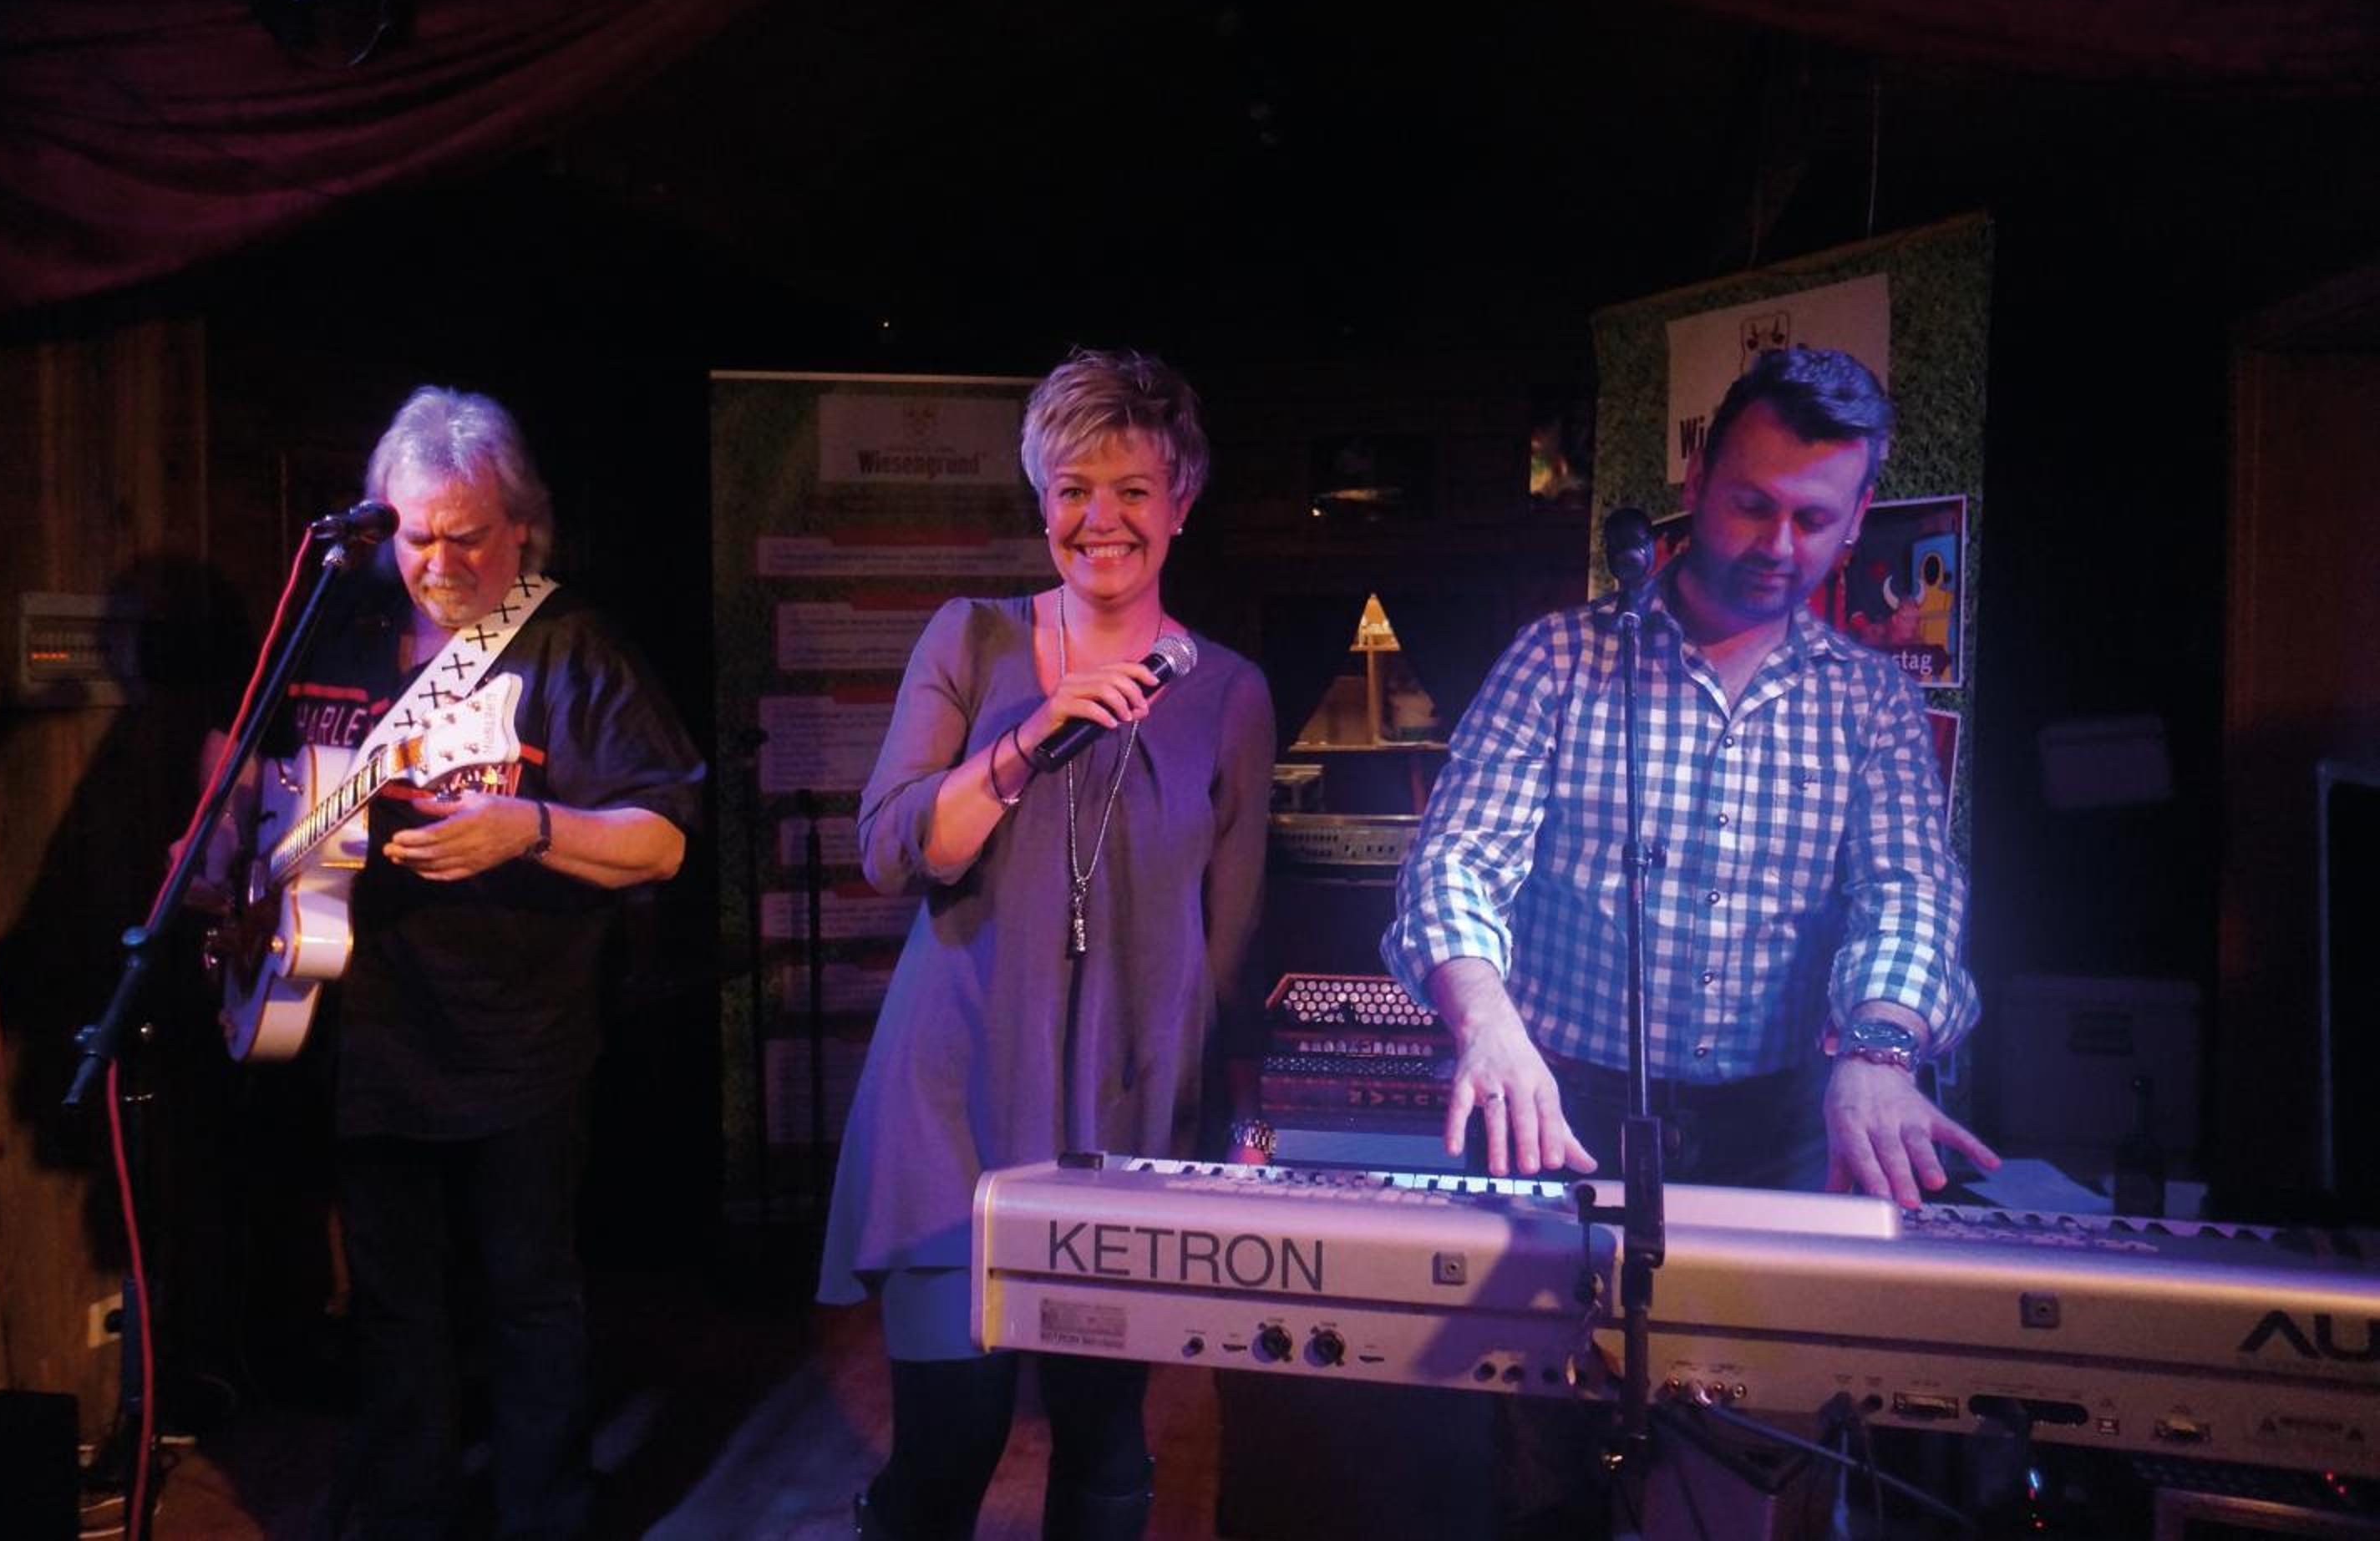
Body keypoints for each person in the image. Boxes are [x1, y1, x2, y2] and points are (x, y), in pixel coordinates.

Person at [185, 388, 703, 1538]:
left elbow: (664, 837)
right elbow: (237, 746)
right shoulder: (339, 621)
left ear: (522, 526)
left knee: (527, 1292)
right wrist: (217, 846)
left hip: (515, 1031)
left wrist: (531, 827)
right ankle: (403, 1508)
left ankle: (542, 1510)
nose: (438, 561)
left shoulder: (571, 649)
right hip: (356, 1025)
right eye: (417, 534)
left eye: (467, 535)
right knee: (392, 1298)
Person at [818, 349, 1275, 1539]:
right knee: (950, 1442)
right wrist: (1026, 741)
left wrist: (1210, 1135)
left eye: (1133, 489)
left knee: (1104, 1444)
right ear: (1040, 503)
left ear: (1181, 503)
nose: (1099, 518)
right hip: (956, 1095)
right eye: (1073, 488)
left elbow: (1226, 937)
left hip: (1126, 1107)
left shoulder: (1230, 691)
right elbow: (897, 847)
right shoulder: (970, 641)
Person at [1383, 345, 1998, 1205]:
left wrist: (1878, 1051)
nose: (1778, 545)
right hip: (1555, 1100)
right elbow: (1456, 863)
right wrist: (1486, 1021)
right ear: (1698, 479)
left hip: (1784, 1125)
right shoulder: (1559, 658)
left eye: (1813, 519)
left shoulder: (1872, 701)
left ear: (1858, 515)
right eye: (1753, 505)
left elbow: (1908, 894)